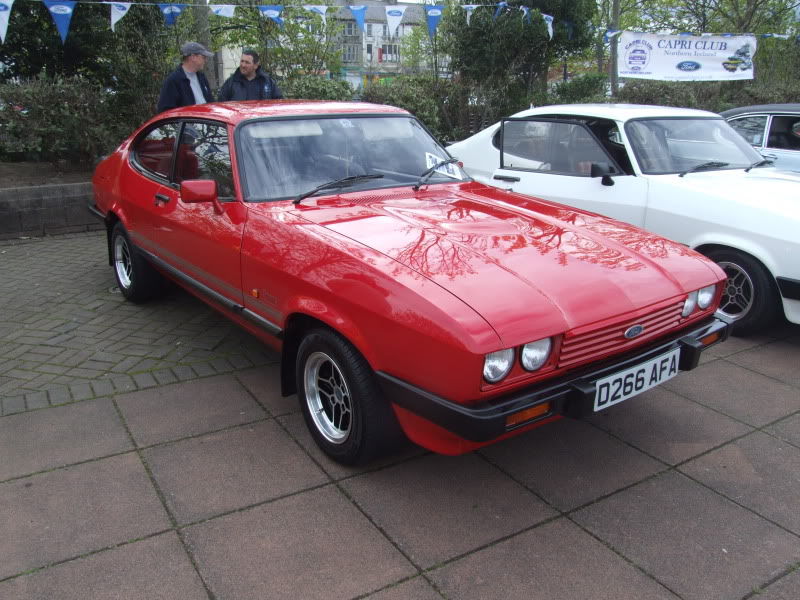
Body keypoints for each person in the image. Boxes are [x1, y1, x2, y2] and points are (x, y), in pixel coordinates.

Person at [157, 42, 214, 113]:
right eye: (203, 57)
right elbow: (166, 112)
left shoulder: (202, 77)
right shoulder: (173, 81)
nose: (206, 60)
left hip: (207, 121)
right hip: (188, 123)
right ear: (193, 57)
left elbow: (211, 102)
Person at [217, 49, 283, 102]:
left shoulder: (267, 81)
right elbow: (221, 104)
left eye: (247, 62)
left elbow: (278, 103)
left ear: (256, 65)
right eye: (242, 61)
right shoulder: (231, 82)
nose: (243, 65)